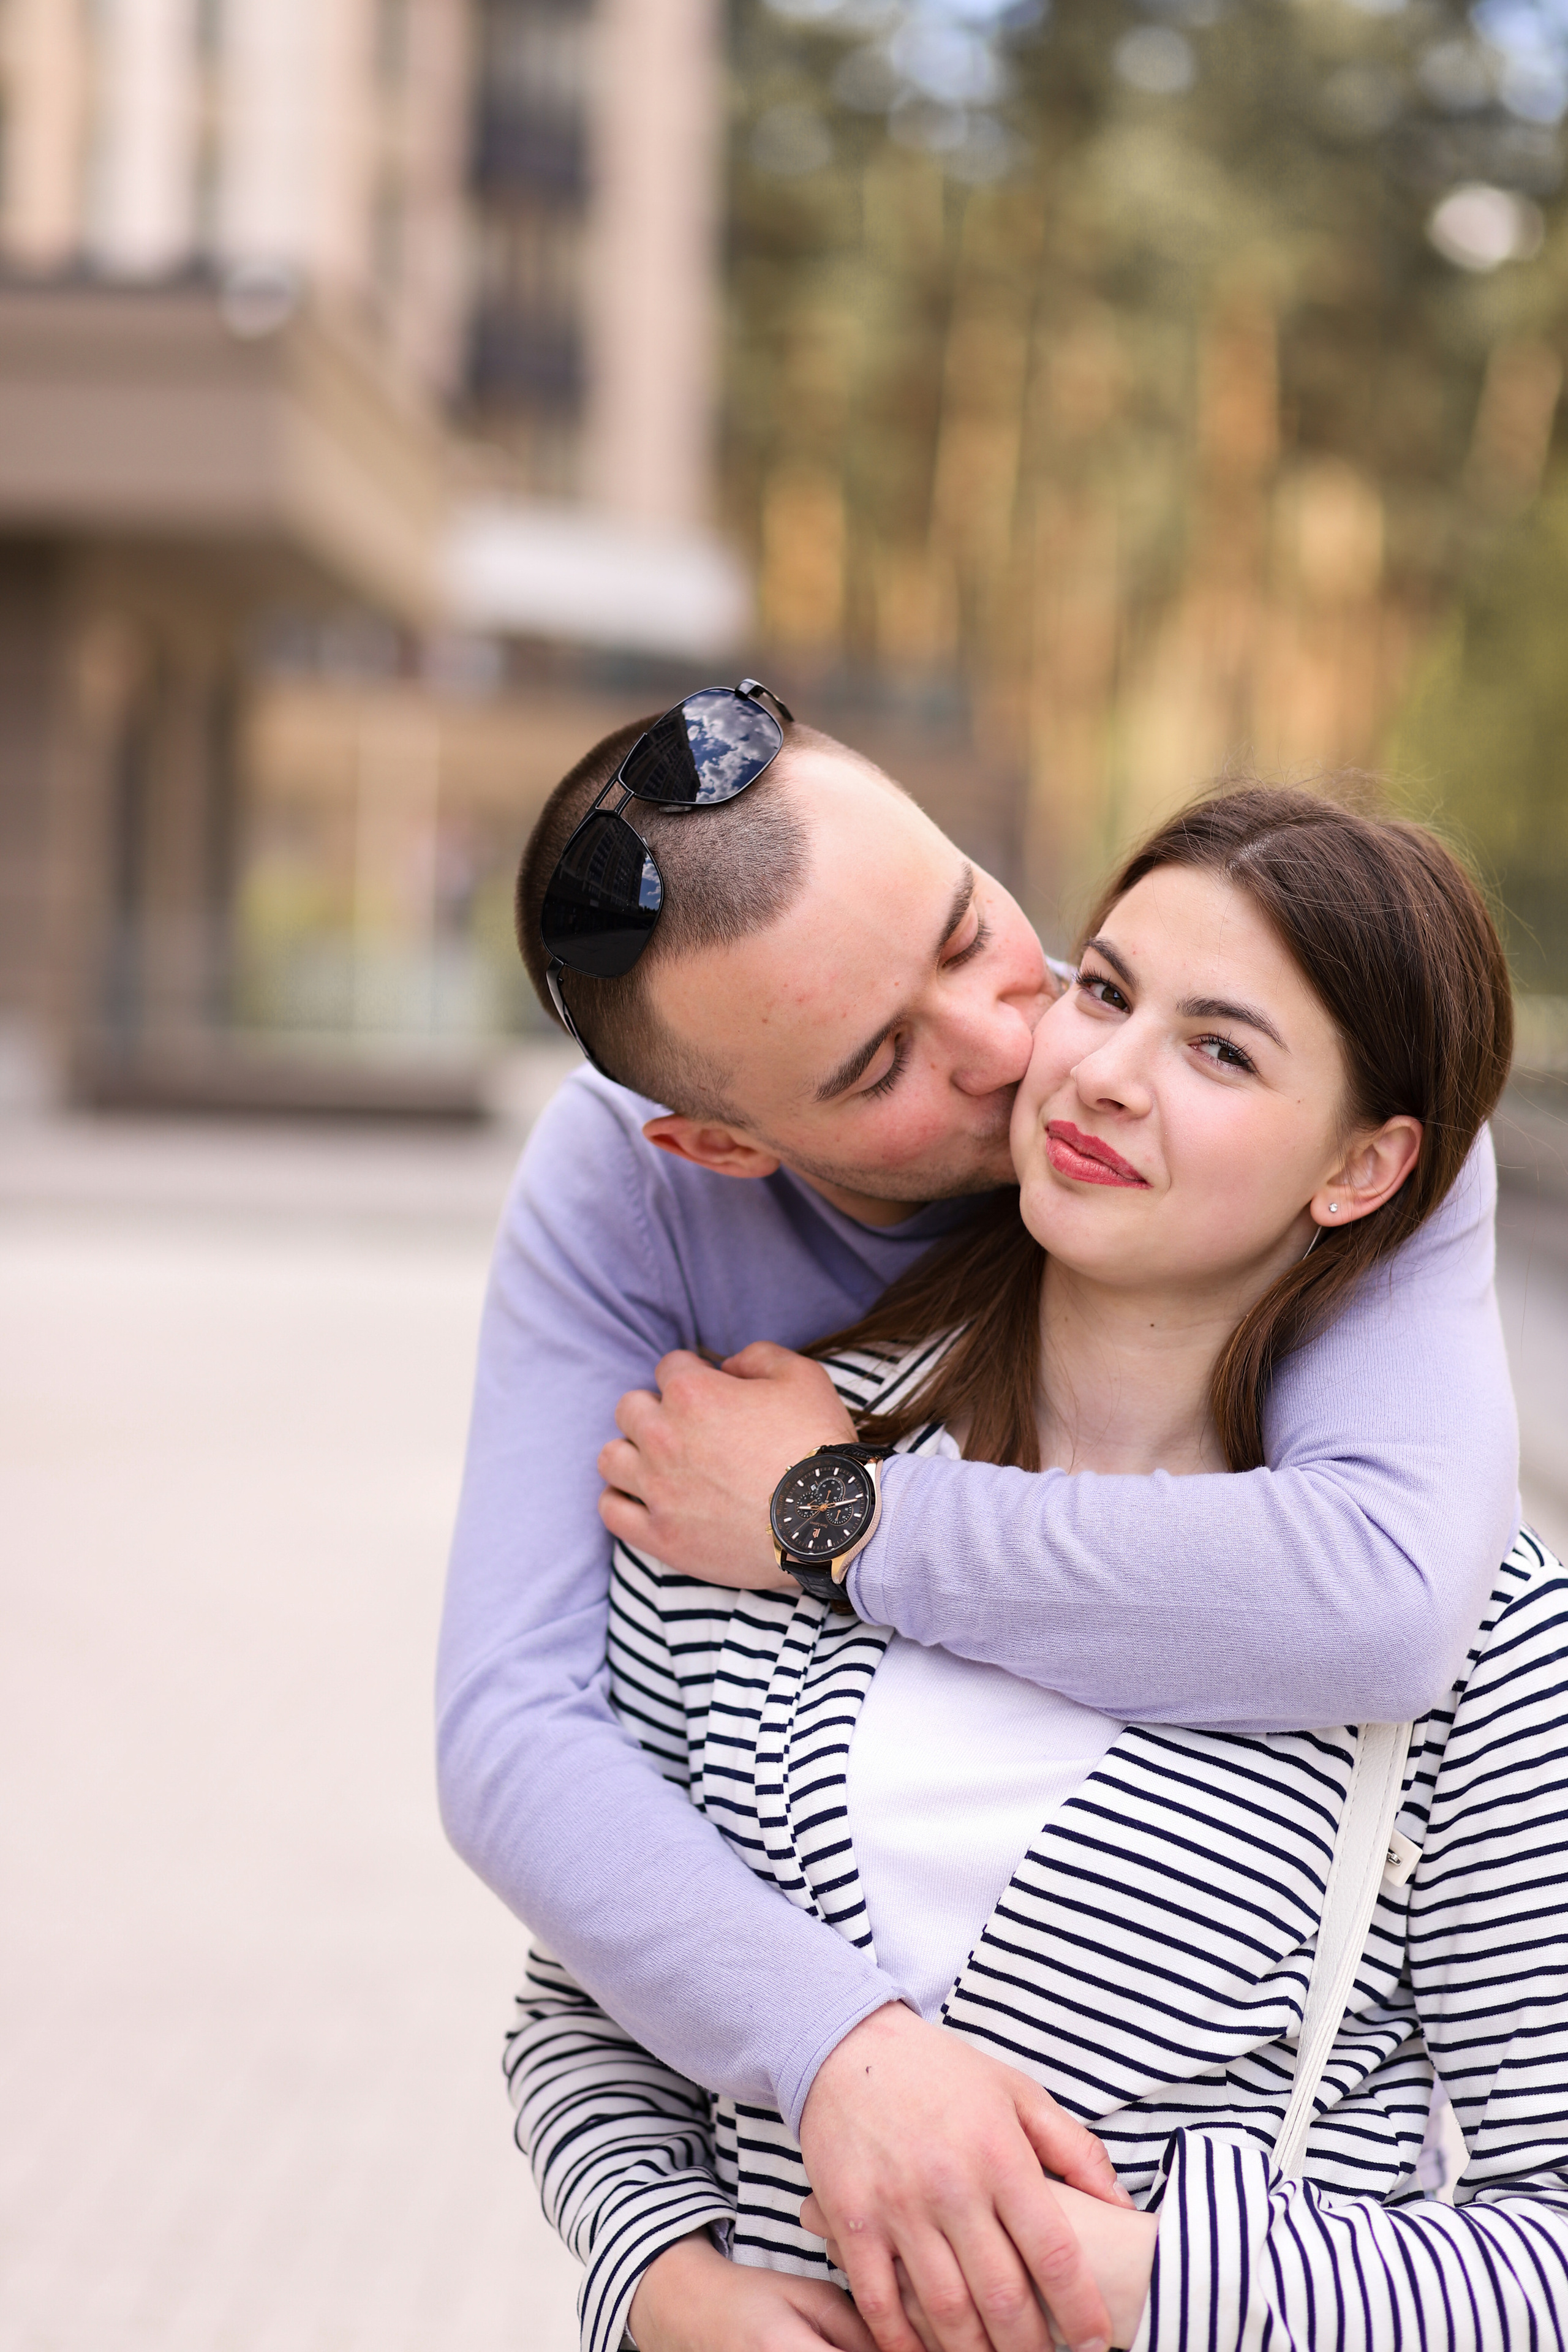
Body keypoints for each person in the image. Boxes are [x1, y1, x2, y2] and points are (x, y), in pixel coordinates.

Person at [437, 688, 1518, 2350]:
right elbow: (532, 1784)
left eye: (978, 932)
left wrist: (837, 1517)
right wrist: (685, 2242)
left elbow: (1391, 1609)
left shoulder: (1332, 1091)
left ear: (1359, 1169)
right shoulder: (648, 1257)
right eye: (878, 1063)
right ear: (722, 1144)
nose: (1029, 1047)